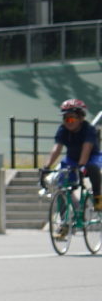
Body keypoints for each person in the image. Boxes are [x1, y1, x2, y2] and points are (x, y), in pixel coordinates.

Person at [39, 98, 102, 231]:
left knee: (93, 168)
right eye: (65, 119)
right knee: (62, 186)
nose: (68, 122)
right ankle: (64, 223)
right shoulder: (63, 130)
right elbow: (57, 148)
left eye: (71, 119)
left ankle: (98, 198)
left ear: (80, 118)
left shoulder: (89, 129)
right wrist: (46, 167)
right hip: (71, 159)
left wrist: (81, 166)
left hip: (91, 157)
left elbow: (87, 147)